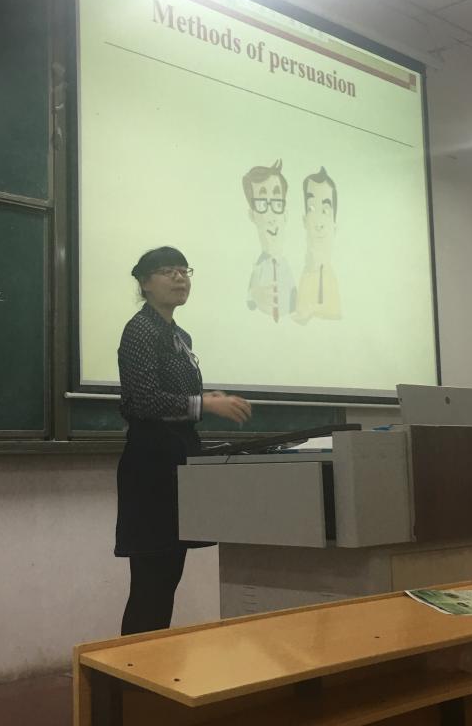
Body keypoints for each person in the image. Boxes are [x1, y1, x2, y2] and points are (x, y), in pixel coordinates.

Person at [116, 246, 251, 635]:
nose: (179, 278)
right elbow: (143, 402)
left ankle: (153, 660)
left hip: (178, 461)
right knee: (151, 583)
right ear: (144, 283)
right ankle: (134, 665)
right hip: (151, 466)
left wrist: (205, 399)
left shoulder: (179, 334)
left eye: (183, 270)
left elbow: (173, 396)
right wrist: (205, 404)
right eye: (167, 271)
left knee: (167, 578)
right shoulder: (140, 330)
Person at [242, 159, 296, 322]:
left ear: (285, 214)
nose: (271, 217)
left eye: (277, 204)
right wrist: (255, 295)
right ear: (252, 215)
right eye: (262, 204)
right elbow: (250, 302)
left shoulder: (291, 265)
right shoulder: (257, 266)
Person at [294, 166, 342, 324]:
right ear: (304, 221)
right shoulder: (305, 277)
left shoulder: (331, 281)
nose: (318, 223)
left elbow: (335, 318)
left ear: (334, 226)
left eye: (325, 211)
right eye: (311, 208)